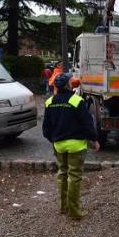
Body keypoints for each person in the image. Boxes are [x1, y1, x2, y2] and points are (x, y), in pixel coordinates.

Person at [42, 73, 100, 219]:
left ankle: (63, 207)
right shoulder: (77, 101)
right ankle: (74, 211)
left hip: (59, 145)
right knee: (74, 176)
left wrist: (54, 140)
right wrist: (94, 139)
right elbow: (87, 123)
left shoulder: (50, 102)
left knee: (62, 174)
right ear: (68, 85)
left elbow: (46, 129)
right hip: (76, 146)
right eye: (70, 81)